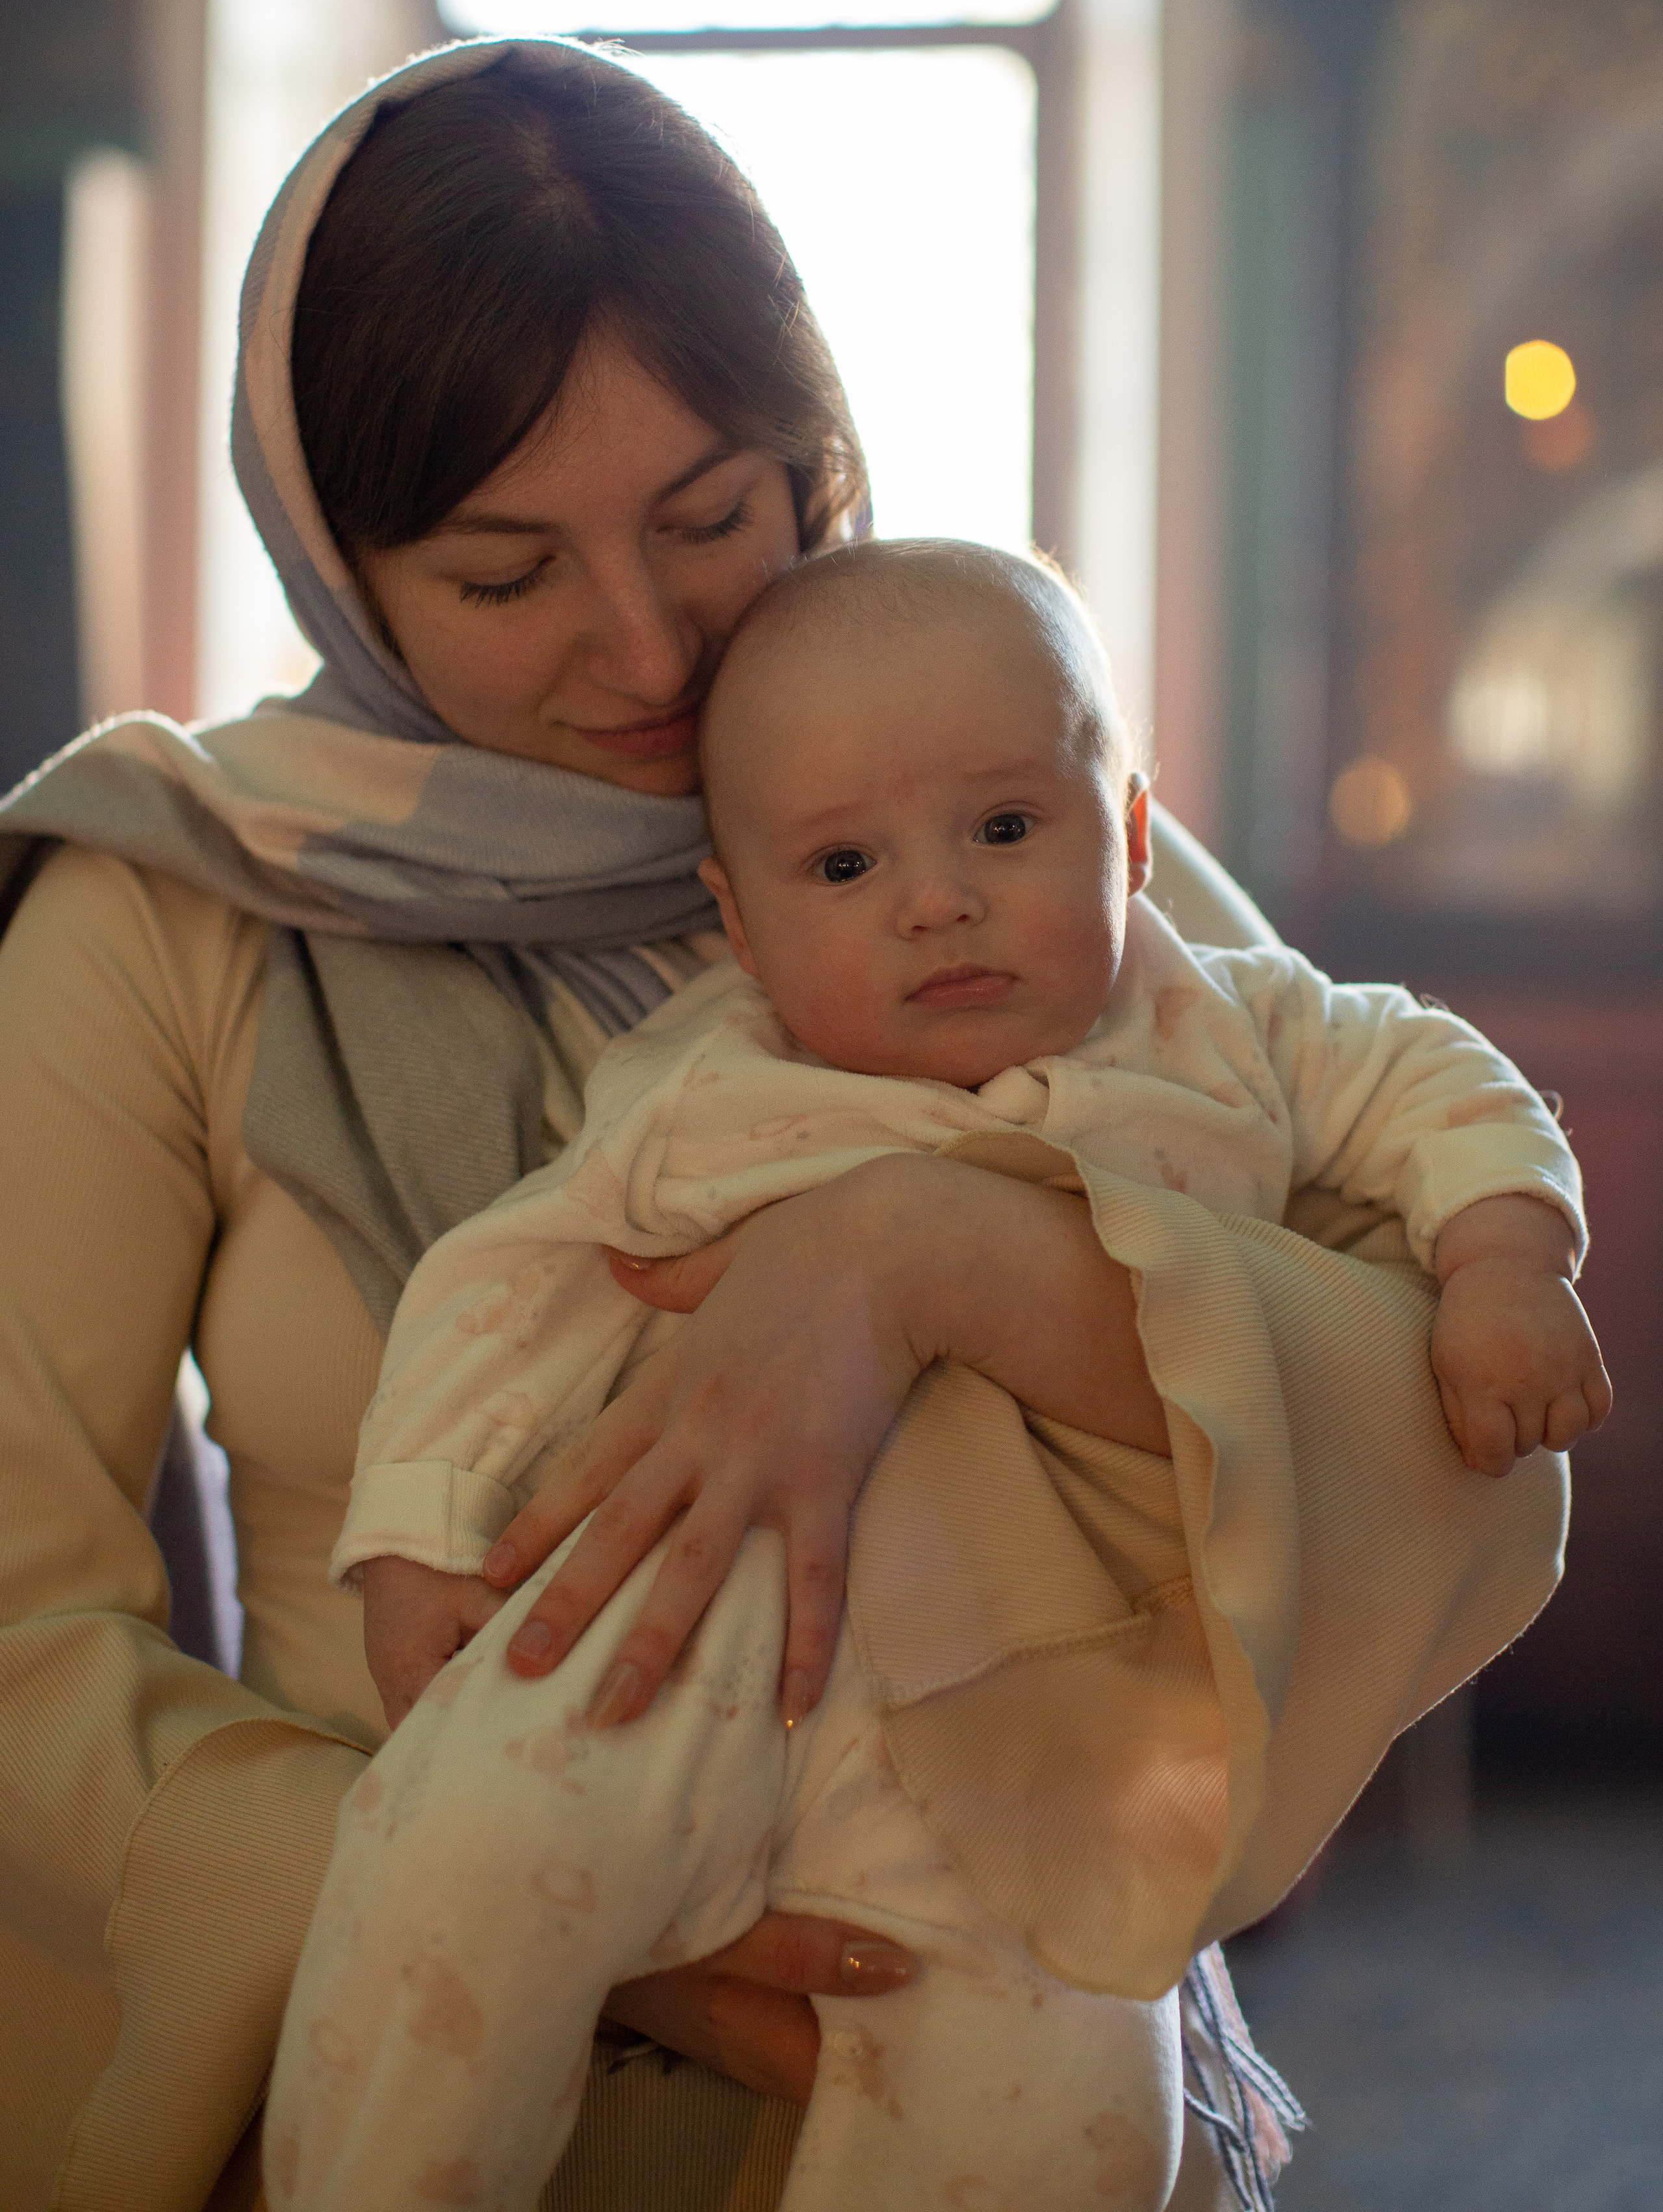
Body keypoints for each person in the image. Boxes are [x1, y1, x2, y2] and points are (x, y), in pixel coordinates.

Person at [0, 39, 1574, 2212]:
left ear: (811, 452)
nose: (641, 644)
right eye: (499, 571)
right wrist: (566, 1922)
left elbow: (1435, 1405)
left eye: (711, 514)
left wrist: (922, 1259)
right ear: (340, 561)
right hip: (437, 2061)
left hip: (1016, 1980)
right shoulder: (166, 913)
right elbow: (20, 1648)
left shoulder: (999, 828)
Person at [264, 539, 1604, 2212]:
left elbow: (1434, 1077)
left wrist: (1501, 1261)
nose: (934, 898)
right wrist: (415, 1534)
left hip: (1028, 1725)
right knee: (453, 1879)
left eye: (1002, 829)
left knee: (1072, 2124)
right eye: (842, 864)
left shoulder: (1222, 1023)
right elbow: (515, 1284)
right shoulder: (706, 1088)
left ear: (1124, 835)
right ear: (737, 927)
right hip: (692, 1640)